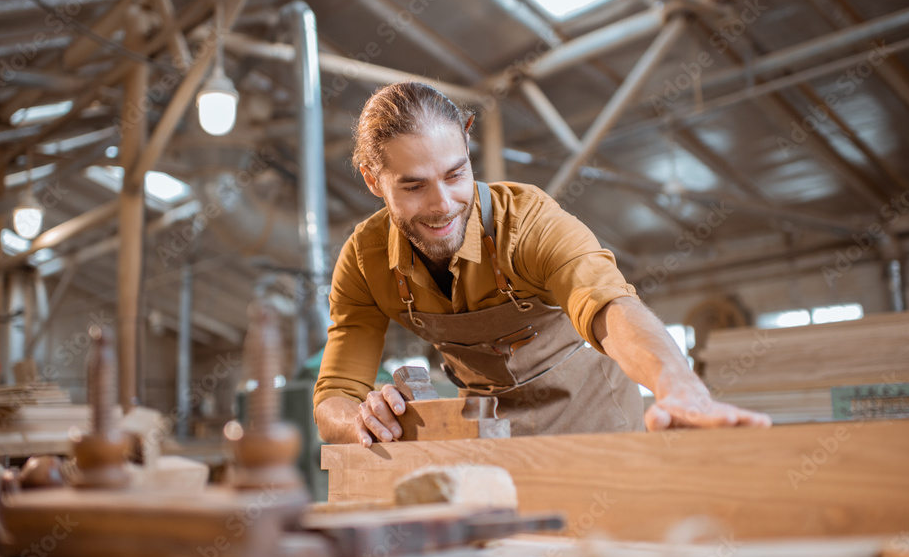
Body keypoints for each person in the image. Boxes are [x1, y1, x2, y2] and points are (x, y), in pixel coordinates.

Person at [313, 82, 770, 447]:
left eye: (455, 175)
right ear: (374, 180)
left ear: (467, 143)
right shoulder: (365, 260)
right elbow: (334, 394)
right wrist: (359, 420)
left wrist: (679, 388)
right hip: (490, 439)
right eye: (414, 187)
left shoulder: (529, 225)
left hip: (596, 426)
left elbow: (611, 306)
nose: (443, 205)